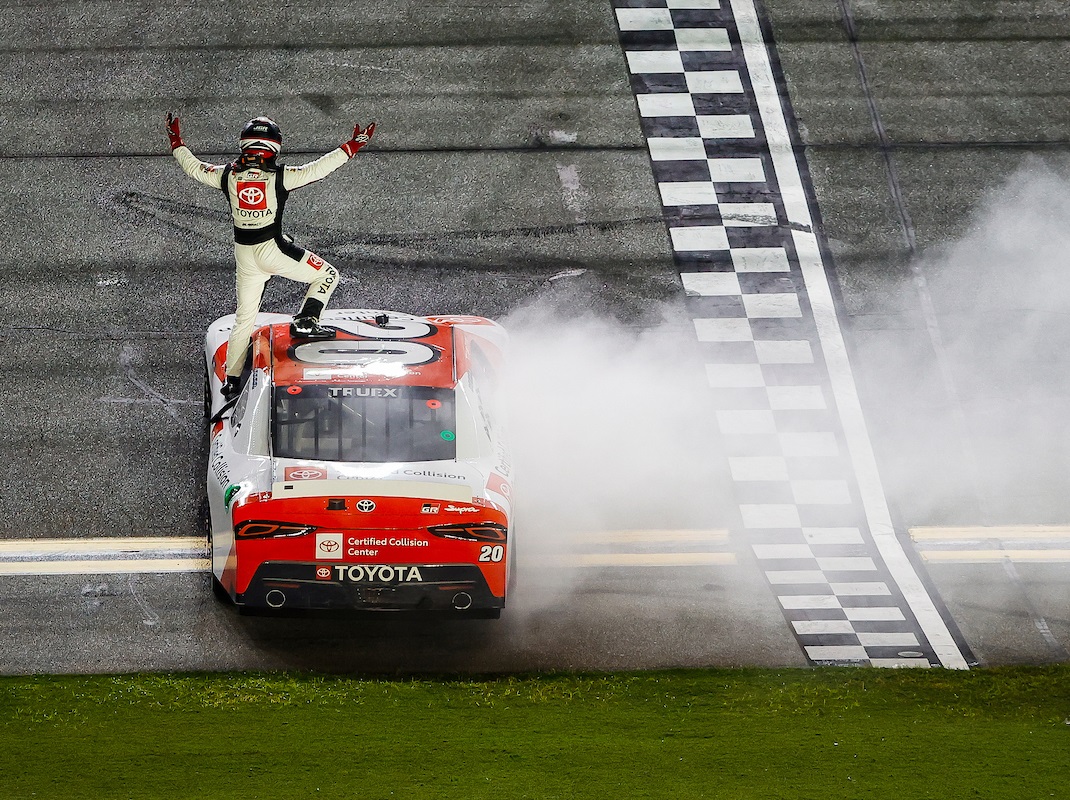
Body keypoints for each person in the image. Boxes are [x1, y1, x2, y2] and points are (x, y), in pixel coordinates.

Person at [166, 113, 375, 399]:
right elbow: (318, 169)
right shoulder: (281, 176)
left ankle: (231, 382)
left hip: (245, 256)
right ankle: (306, 321)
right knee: (328, 275)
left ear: (244, 145)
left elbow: (193, 167)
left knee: (244, 319)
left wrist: (176, 140)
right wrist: (352, 146)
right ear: (274, 147)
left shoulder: (226, 175)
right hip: (272, 250)